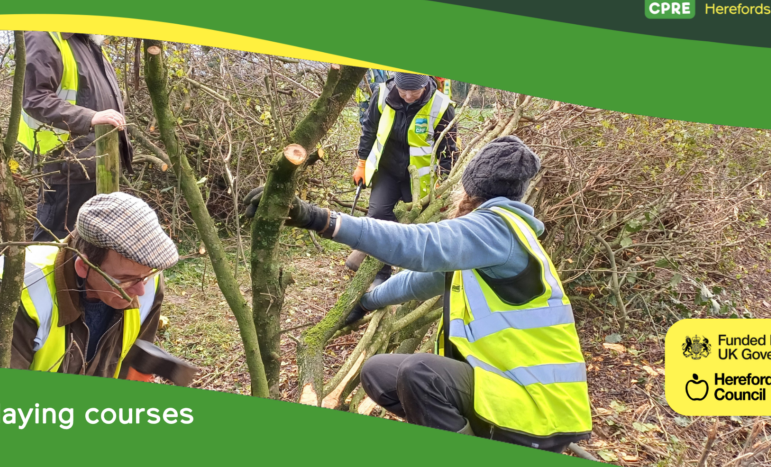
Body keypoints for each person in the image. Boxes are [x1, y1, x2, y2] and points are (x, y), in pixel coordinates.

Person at [245, 136, 592, 452]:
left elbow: (418, 245)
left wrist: (321, 219)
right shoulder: (489, 242)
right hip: (507, 391)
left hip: (538, 407)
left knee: (420, 373)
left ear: (471, 187)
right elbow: (417, 281)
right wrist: (365, 302)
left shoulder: (499, 230)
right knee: (379, 373)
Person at [0, 192, 178, 378]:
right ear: (84, 266)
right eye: (125, 280)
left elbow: (132, 366)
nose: (140, 290)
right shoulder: (14, 293)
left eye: (146, 276)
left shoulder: (145, 277)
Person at [347, 72, 458, 288]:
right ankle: (381, 274)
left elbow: (449, 150)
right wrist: (362, 162)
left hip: (417, 178)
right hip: (387, 169)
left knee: (415, 224)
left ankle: (411, 276)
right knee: (378, 215)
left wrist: (443, 184)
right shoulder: (381, 94)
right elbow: (369, 129)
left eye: (413, 92)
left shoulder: (442, 106)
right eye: (403, 90)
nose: (407, 96)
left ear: (425, 86)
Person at [21, 31, 132, 242]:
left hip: (97, 164)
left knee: (90, 247)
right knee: (55, 245)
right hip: (67, 165)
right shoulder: (45, 36)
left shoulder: (89, 42)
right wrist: (90, 117)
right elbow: (35, 99)